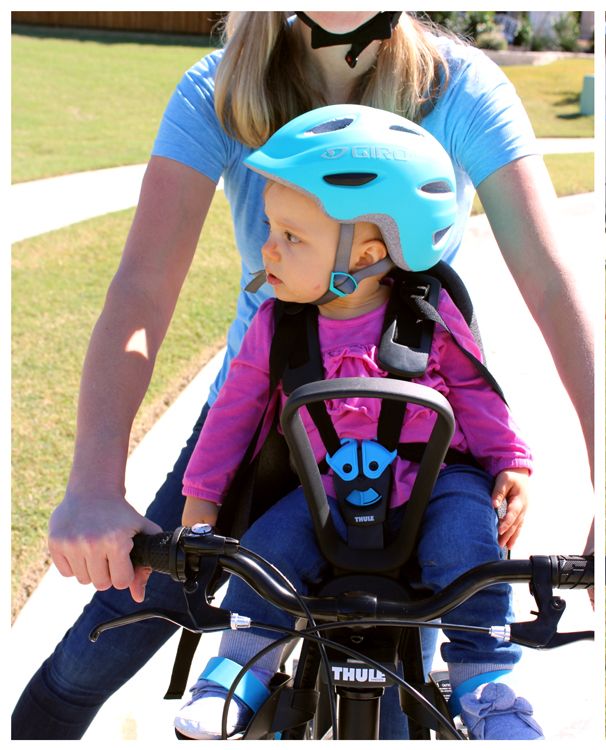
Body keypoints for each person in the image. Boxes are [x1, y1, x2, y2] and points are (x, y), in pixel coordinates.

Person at [15, 11, 591, 740]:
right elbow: (143, 287)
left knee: (406, 671)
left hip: (416, 424)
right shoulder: (222, 86)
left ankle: (483, 688)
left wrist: (595, 485)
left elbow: (551, 281)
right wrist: (95, 485)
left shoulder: (463, 87)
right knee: (107, 640)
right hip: (267, 411)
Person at [168, 104, 541, 740]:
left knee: (469, 547)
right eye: (270, 228)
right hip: (327, 491)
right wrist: (202, 501)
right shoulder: (277, 325)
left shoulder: (425, 316)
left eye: (293, 237)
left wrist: (510, 462)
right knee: (265, 552)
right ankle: (236, 672)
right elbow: (232, 414)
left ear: (365, 255)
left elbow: (477, 394)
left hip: (434, 484)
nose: (268, 248)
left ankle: (485, 684)